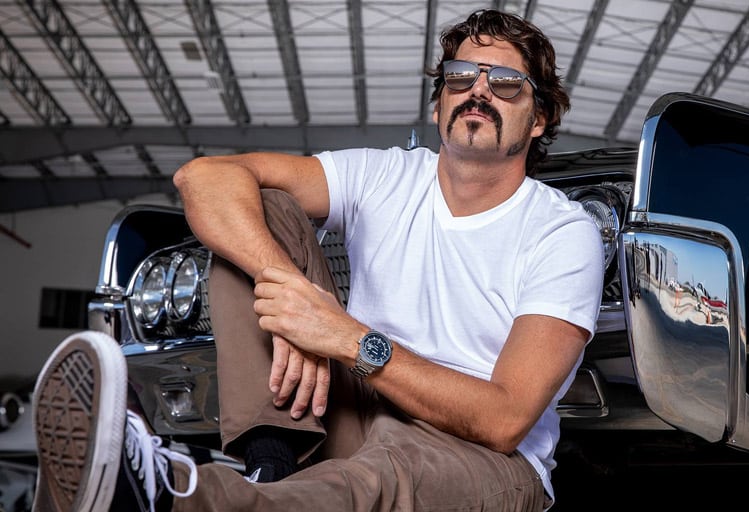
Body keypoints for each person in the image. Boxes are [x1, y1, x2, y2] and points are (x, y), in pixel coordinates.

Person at [31, 8, 605, 512]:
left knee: (383, 478)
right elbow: (204, 177)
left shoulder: (561, 232)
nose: (477, 91)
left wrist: (346, 337)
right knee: (263, 209)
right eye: (460, 78)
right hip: (353, 409)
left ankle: (166, 495)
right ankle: (269, 463)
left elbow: (504, 420)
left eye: (505, 83)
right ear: (439, 107)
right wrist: (289, 292)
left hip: (480, 457)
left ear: (538, 120)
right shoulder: (388, 176)